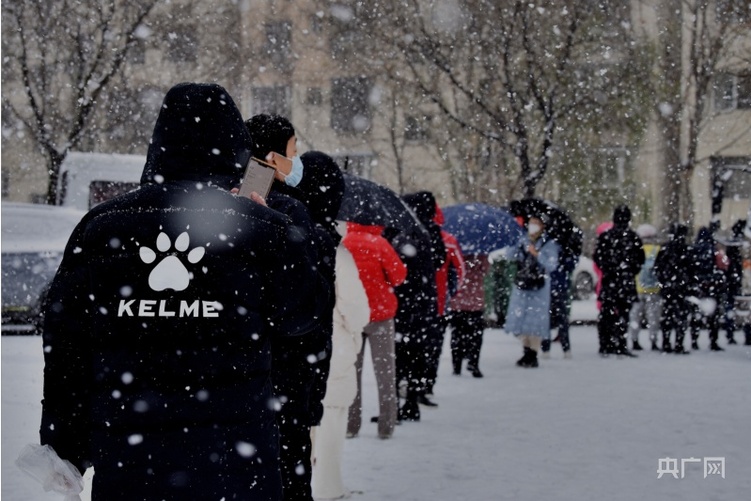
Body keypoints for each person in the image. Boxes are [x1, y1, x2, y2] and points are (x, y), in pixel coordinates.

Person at [39, 82, 330, 500]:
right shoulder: (264, 230)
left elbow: (66, 348)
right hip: (235, 461)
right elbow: (305, 316)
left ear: (160, 143)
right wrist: (288, 239)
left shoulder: (102, 228)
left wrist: (63, 447)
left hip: (131, 462)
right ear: (234, 147)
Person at [245, 115, 341, 500]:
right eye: (293, 149)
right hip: (285, 377)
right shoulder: (292, 217)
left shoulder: (222, 204)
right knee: (288, 475)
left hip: (240, 382)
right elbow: (309, 311)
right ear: (271, 157)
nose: (297, 157)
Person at [310, 222, 371, 501]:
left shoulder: (282, 238)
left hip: (293, 350)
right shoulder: (337, 253)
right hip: (333, 348)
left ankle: (299, 481)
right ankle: (326, 487)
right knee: (331, 420)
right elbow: (356, 309)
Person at [345, 222, 407, 439]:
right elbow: (399, 276)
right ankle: (386, 426)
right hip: (381, 315)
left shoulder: (344, 243)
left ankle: (351, 425)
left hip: (353, 316)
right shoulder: (380, 243)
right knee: (386, 373)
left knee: (352, 373)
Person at [392, 192, 445, 419]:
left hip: (402, 301)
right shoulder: (431, 231)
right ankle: (412, 401)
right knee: (418, 353)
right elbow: (440, 260)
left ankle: (395, 404)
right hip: (423, 301)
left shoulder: (400, 229)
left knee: (398, 354)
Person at [503, 215, 559, 368]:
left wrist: (537, 254)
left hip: (539, 286)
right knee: (521, 318)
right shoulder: (522, 239)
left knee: (535, 320)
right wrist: (517, 245)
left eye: (537, 224)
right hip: (522, 283)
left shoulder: (549, 243)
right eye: (531, 223)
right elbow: (510, 256)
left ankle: (533, 353)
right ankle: (526, 349)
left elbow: (552, 264)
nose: (533, 226)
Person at [593, 205, 644, 357]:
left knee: (606, 313)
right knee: (623, 314)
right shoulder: (633, 237)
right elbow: (640, 260)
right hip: (625, 281)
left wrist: (608, 269)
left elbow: (598, 257)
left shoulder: (606, 236)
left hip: (610, 280)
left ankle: (605, 343)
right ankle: (620, 343)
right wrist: (629, 271)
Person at [447, 253, 490, 376]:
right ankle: (473, 362)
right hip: (475, 301)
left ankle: (457, 365)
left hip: (457, 300)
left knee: (457, 335)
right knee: (475, 336)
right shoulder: (480, 254)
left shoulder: (455, 253)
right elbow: (485, 270)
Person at [653, 223, 692, 354]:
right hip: (680, 288)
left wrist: (664, 281)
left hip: (669, 288)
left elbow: (657, 267)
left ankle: (666, 342)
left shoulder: (665, 248)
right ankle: (678, 343)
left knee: (667, 315)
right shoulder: (685, 249)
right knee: (680, 316)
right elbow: (691, 269)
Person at [688, 226, 726, 351]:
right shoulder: (714, 250)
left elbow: (689, 267)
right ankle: (713, 341)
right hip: (712, 287)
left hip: (697, 287)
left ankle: (694, 340)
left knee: (696, 315)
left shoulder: (693, 249)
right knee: (713, 317)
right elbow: (723, 266)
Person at [627, 224, 662, 351]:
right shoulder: (657, 250)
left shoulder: (636, 249)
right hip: (654, 289)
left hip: (638, 288)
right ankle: (653, 340)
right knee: (653, 318)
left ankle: (634, 340)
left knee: (635, 317)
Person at [722, 219, 746, 344]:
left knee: (730, 309)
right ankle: (747, 335)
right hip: (743, 282)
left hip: (732, 282)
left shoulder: (730, 246)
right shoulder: (744, 245)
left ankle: (730, 334)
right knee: (746, 309)